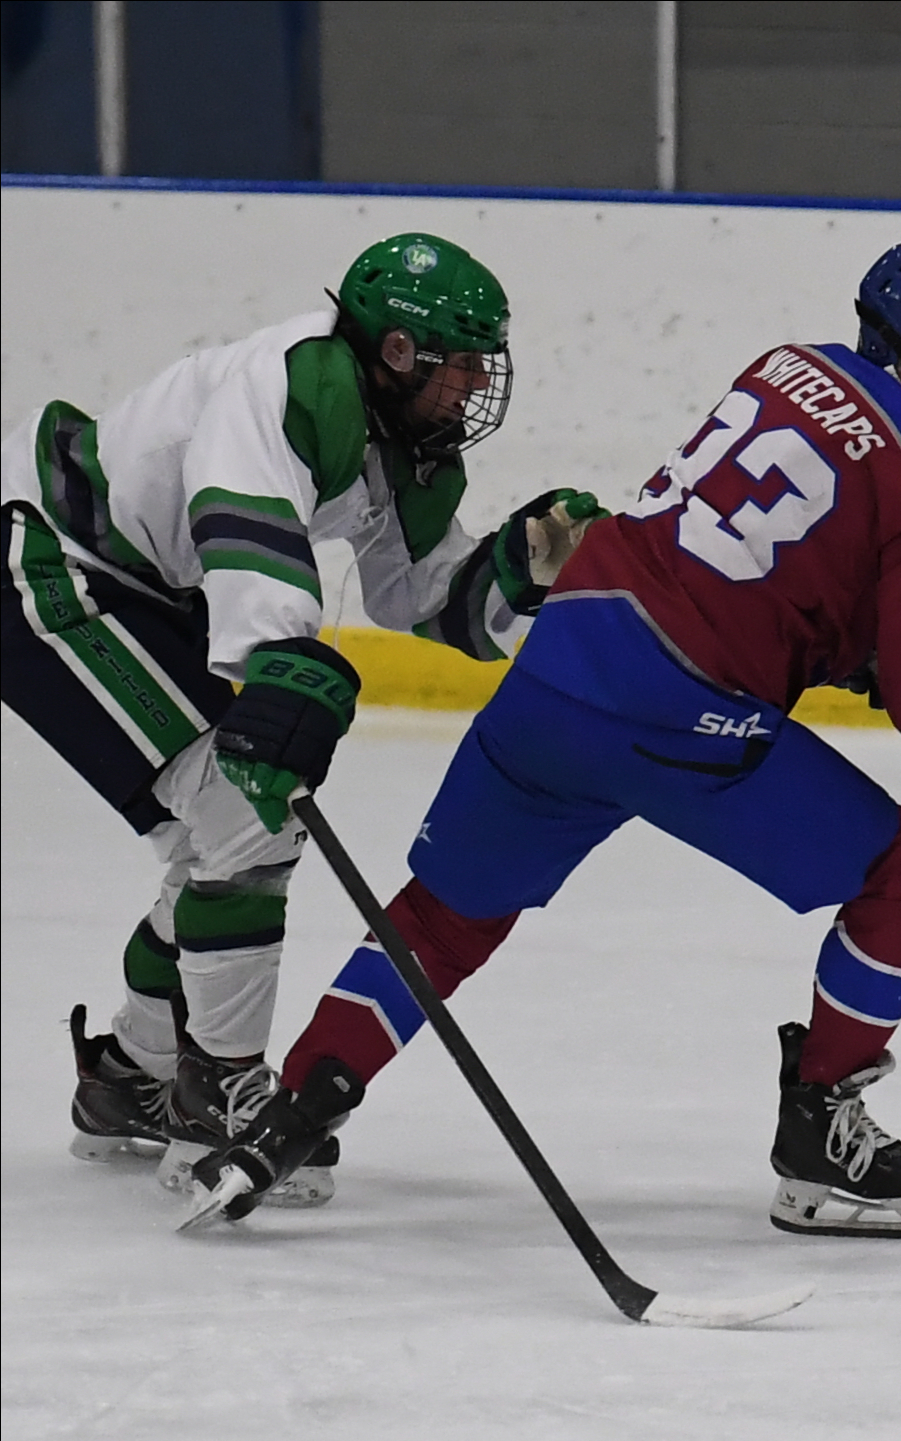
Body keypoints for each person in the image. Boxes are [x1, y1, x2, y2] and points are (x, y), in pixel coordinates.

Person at [183, 238, 901, 1236]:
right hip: (680, 705)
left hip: (558, 664)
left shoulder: (787, 367)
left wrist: (840, 640)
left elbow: (761, 555)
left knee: (444, 918)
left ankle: (288, 1116)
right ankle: (821, 1139)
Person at [3, 232, 603, 1205]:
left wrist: (522, 566)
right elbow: (243, 517)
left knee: (223, 836)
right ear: (396, 352)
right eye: (457, 366)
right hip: (53, 556)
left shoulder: (401, 444)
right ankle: (216, 1094)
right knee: (246, 817)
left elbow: (422, 595)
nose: (469, 388)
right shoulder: (295, 382)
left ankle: (128, 1076)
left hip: (150, 586)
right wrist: (282, 655)